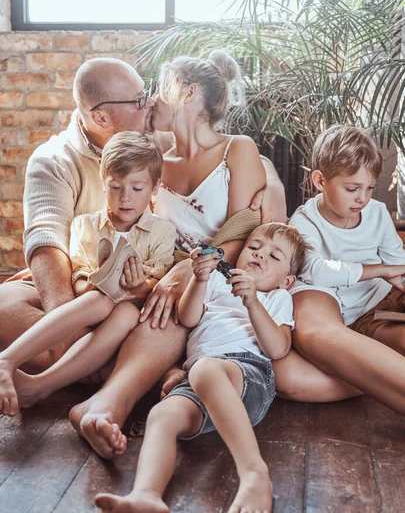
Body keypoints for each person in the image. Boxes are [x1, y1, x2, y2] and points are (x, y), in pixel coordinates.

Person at [1, 55, 286, 458]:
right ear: (100, 118)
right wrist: (79, 310)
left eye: (150, 93)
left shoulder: (177, 144)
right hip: (115, 271)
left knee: (154, 314)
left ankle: (101, 397)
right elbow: (47, 241)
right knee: (19, 302)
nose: (149, 103)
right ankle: (113, 366)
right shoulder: (76, 159)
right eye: (139, 100)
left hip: (177, 275)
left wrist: (272, 183)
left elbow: (237, 178)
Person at [95, 223, 309, 513]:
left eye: (274, 256)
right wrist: (198, 279)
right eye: (255, 248)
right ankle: (146, 496)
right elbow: (188, 317)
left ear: (287, 281)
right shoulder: (216, 284)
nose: (260, 256)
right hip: (200, 377)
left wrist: (253, 303)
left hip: (248, 373)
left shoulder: (276, 298)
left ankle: (254, 474)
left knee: (206, 370)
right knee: (161, 416)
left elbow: (277, 348)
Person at [0, 131, 176, 418]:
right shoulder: (86, 226)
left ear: (155, 187)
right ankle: (7, 360)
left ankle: (40, 386)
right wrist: (96, 282)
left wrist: (139, 286)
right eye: (116, 187)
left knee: (125, 313)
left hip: (133, 314)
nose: (125, 198)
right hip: (91, 306)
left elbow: (155, 287)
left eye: (137, 188)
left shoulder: (162, 231)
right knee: (100, 301)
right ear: (103, 181)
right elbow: (78, 279)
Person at [285, 125, 405, 413]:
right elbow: (315, 270)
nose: (362, 198)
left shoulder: (375, 212)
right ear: (319, 180)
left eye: (369, 188)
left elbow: (396, 263)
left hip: (376, 308)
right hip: (332, 306)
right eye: (352, 188)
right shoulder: (303, 221)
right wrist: (379, 270)